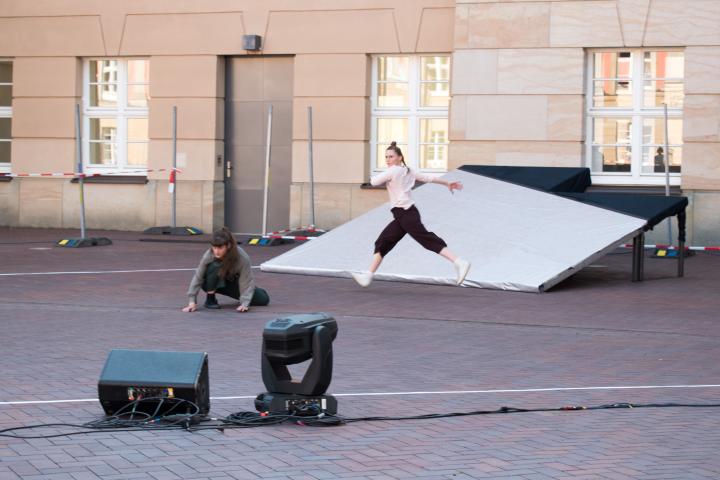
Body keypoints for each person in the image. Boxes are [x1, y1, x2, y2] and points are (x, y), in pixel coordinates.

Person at [351, 141, 471, 288]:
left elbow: (374, 182)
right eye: (386, 157)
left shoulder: (393, 170)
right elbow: (428, 178)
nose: (388, 160)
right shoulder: (408, 170)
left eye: (391, 157)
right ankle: (368, 276)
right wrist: (446, 183)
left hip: (406, 213)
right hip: (404, 214)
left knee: (425, 238)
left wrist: (378, 176)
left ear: (400, 157)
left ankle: (459, 262)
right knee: (383, 241)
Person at [182, 227, 270, 313]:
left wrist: (244, 303)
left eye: (220, 248)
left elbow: (245, 281)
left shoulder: (242, 257)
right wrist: (192, 301)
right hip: (210, 283)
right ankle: (210, 299)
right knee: (214, 265)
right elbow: (198, 277)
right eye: (214, 247)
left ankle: (256, 290)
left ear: (228, 246)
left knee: (263, 300)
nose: (216, 251)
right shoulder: (209, 255)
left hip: (232, 282)